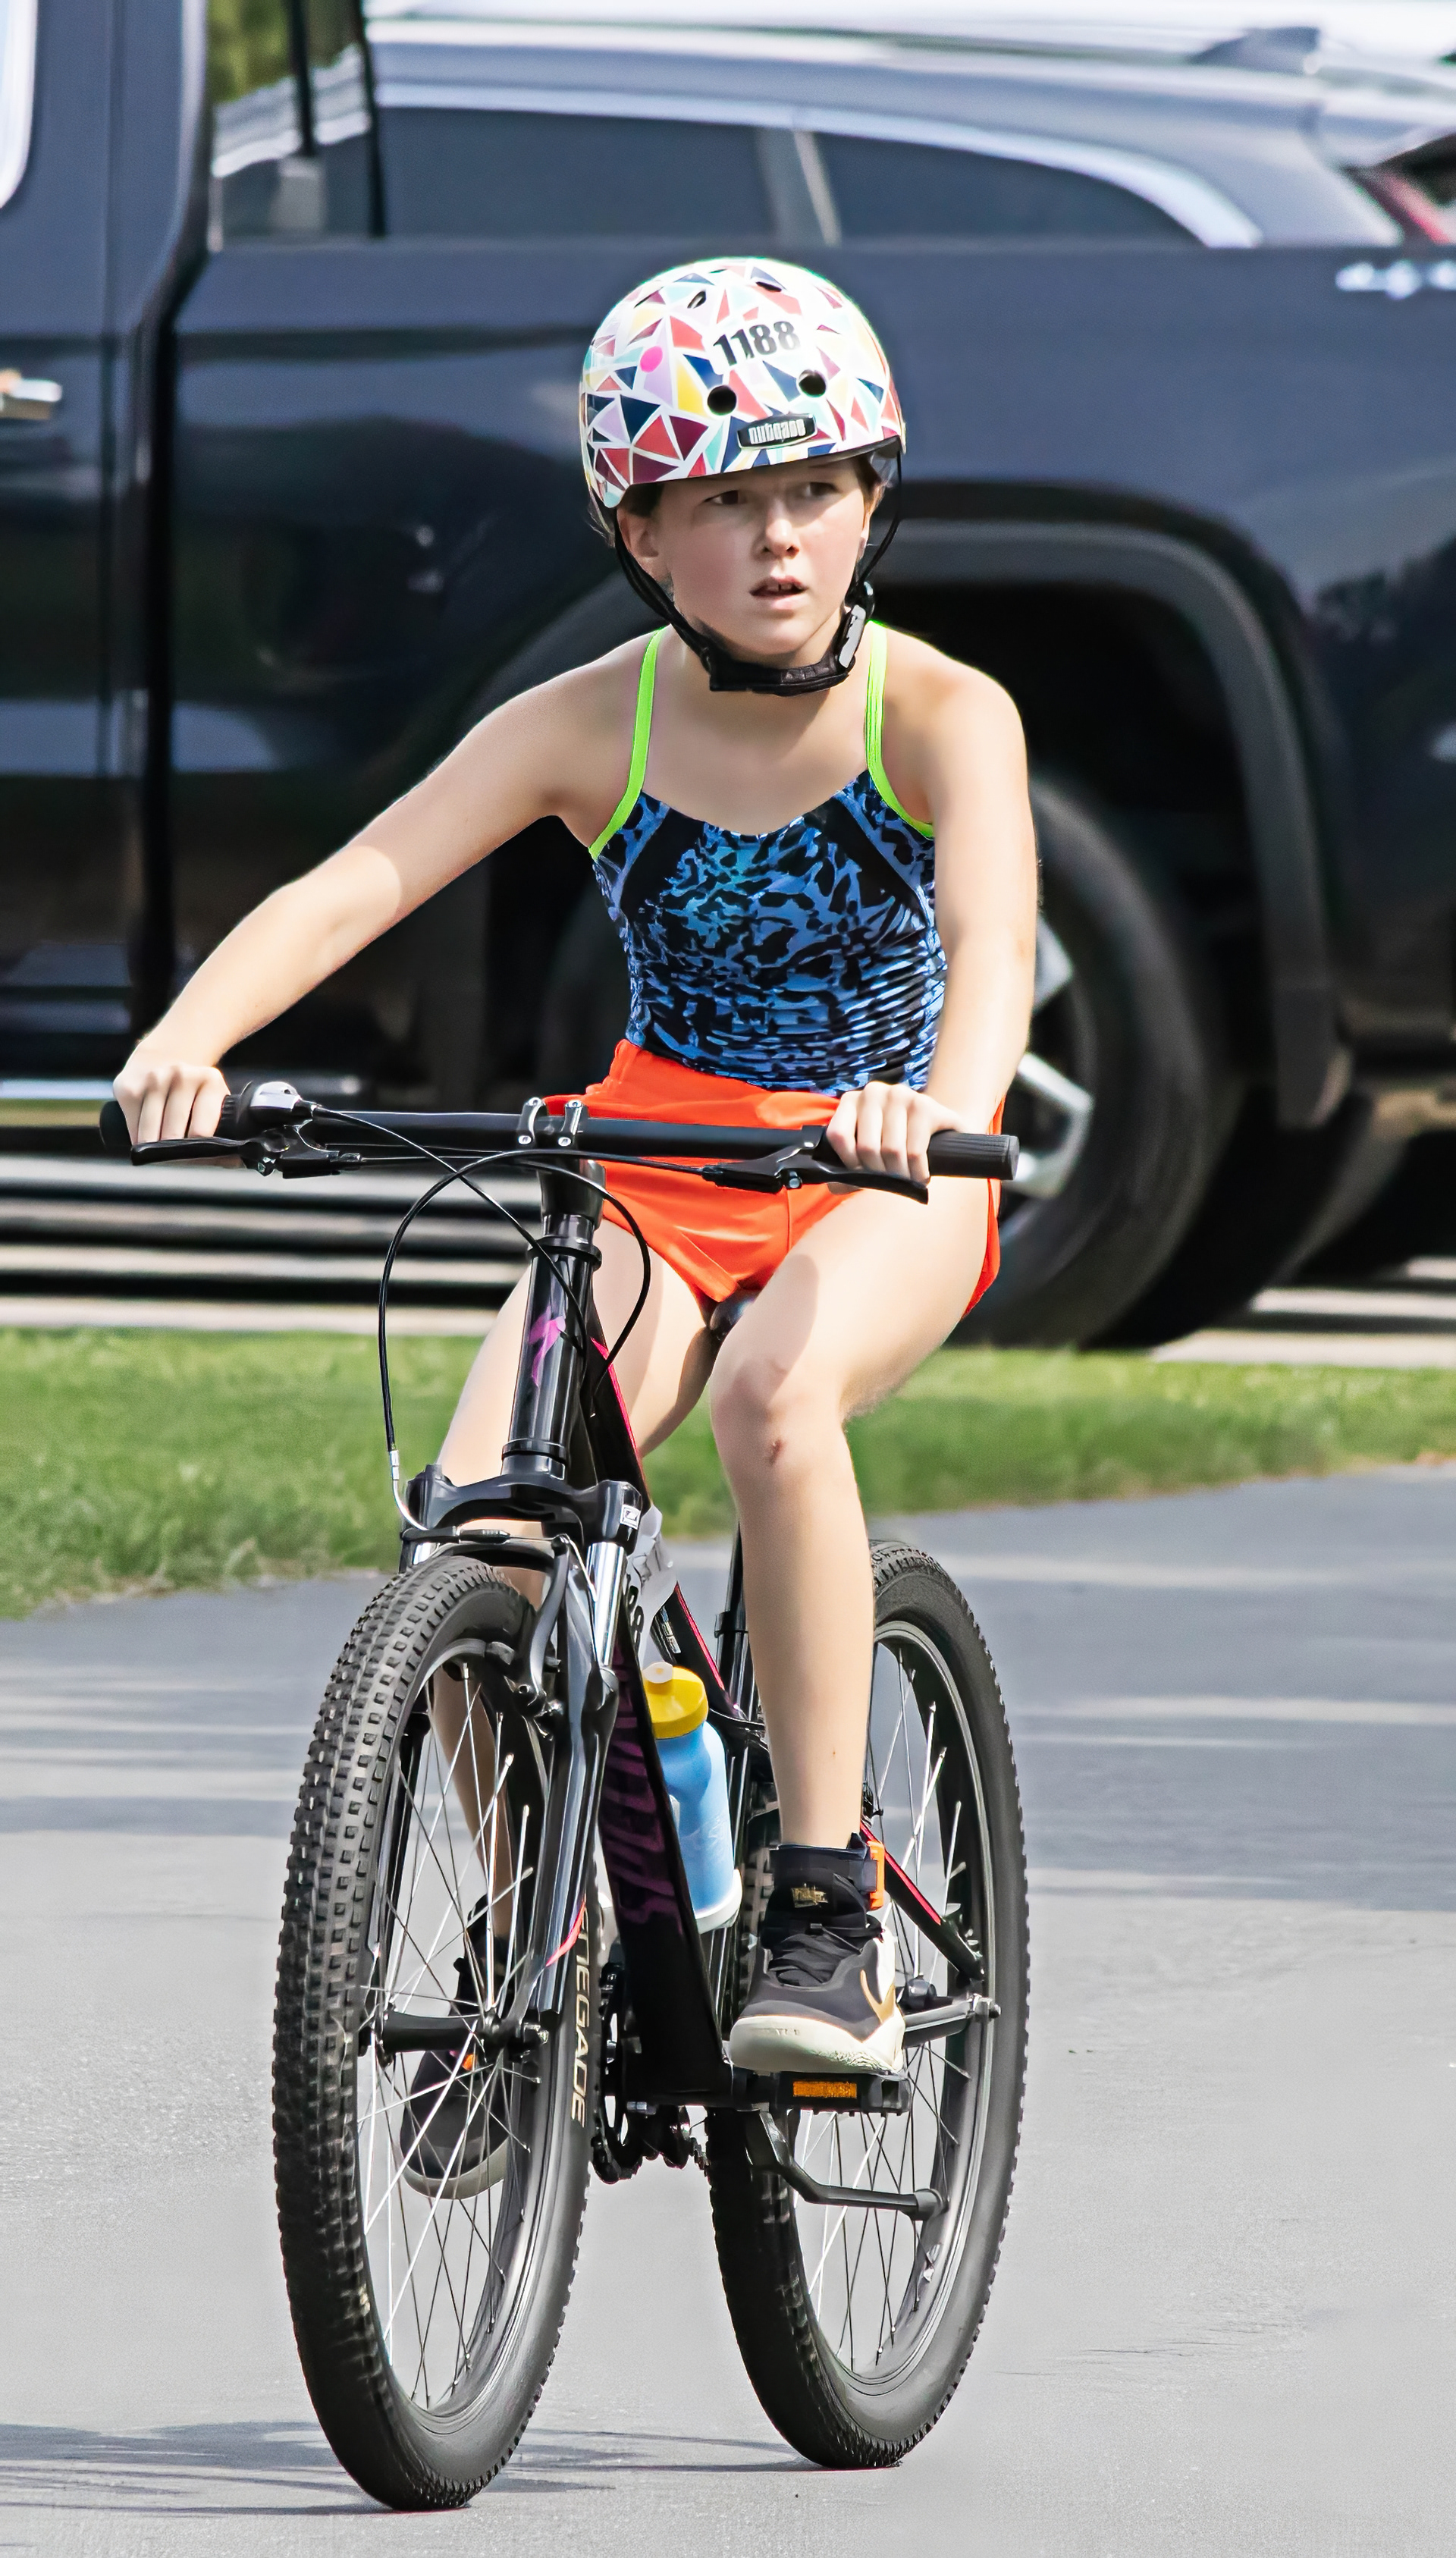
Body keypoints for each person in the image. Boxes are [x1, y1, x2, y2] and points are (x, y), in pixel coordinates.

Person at [114, 257, 1037, 2077]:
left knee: (777, 1400)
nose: (780, 539)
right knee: (481, 1519)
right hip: (659, 1161)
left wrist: (930, 1106)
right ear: (639, 533)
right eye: (725, 502)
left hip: (882, 1171)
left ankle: (827, 1907)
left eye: (817, 490)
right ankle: (532, 1936)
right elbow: (360, 882)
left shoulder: (942, 713)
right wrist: (191, 1038)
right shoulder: (590, 721)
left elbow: (993, 944)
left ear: (874, 501)